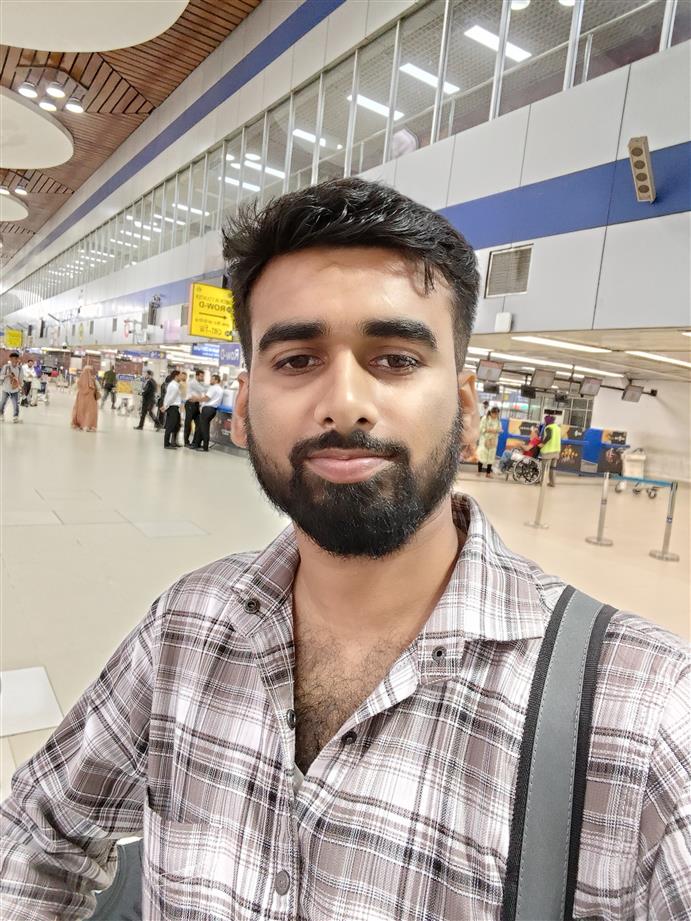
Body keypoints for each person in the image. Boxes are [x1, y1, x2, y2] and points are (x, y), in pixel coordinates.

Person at [1, 180, 688, 921]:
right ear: (243, 410)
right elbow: (38, 832)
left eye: (394, 358)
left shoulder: (642, 715)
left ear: (466, 413)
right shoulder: (186, 628)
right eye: (298, 359)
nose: (345, 402)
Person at [191, 373, 223, 452]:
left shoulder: (213, 388)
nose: (210, 380)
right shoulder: (220, 389)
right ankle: (197, 444)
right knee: (201, 427)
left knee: (204, 428)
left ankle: (205, 447)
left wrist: (196, 399)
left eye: (212, 379)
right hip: (212, 410)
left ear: (216, 380)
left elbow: (207, 398)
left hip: (207, 409)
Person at [70, 365, 99, 432]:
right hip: (91, 400)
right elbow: (99, 388)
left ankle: (81, 424)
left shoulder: (80, 380)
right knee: (90, 412)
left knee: (81, 411)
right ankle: (88, 425)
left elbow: (74, 387)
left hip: (81, 399)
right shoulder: (93, 380)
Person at [476, 405, 501, 476]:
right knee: (482, 455)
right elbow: (481, 428)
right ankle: (479, 472)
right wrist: (490, 430)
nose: (496, 415)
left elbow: (499, 429)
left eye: (497, 414)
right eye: (495, 414)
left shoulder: (498, 420)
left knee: (491, 456)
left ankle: (488, 473)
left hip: (493, 440)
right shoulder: (485, 418)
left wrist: (498, 431)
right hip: (484, 439)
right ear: (491, 413)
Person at [184, 369, 205, 446]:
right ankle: (186, 442)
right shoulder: (193, 382)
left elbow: (201, 393)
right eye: (201, 376)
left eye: (203, 376)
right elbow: (203, 390)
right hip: (190, 404)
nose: (202, 378)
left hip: (196, 404)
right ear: (197, 376)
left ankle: (195, 442)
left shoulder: (199, 383)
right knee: (188, 423)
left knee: (199, 424)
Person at [540, 413, 562, 487]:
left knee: (544, 468)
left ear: (547, 421)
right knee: (552, 469)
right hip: (556, 451)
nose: (544, 422)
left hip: (548, 452)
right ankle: (552, 483)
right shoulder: (557, 428)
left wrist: (542, 444)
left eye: (545, 421)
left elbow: (549, 436)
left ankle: (543, 483)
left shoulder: (549, 427)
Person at [161, 369, 182, 449]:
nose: (181, 377)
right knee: (170, 426)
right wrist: (165, 406)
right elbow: (171, 398)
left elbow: (168, 396)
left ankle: (172, 442)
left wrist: (165, 405)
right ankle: (166, 444)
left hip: (174, 407)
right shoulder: (174, 386)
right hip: (172, 407)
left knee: (176, 425)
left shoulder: (174, 384)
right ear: (176, 376)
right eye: (180, 375)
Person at [0, 352, 23, 423]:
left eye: (16, 358)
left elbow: (21, 378)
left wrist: (20, 387)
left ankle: (15, 417)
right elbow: (1, 376)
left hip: (15, 389)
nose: (14, 360)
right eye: (12, 358)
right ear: (10, 359)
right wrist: (7, 375)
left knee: (16, 404)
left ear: (18, 359)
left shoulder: (19, 368)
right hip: (6, 388)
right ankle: (1, 414)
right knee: (2, 403)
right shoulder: (6, 367)